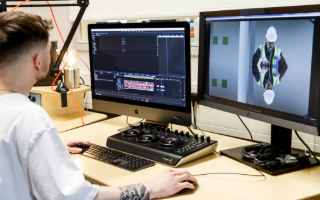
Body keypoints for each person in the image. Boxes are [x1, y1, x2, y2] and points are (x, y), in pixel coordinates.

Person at [0, 11, 197, 200]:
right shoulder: (28, 117)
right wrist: (152, 188)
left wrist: (47, 148)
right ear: (38, 61)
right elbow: (80, 198)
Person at [252, 26, 288, 105]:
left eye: (273, 42)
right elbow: (253, 63)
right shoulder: (260, 49)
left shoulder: (278, 51)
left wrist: (281, 59)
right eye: (270, 88)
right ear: (266, 39)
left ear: (264, 90)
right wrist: (260, 61)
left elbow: (285, 67)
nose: (271, 44)